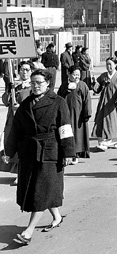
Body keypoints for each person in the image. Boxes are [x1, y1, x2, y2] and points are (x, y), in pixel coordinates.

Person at [2, 69, 75, 245]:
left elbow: (65, 129)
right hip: (29, 152)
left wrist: (68, 152)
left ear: (48, 84)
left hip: (50, 151)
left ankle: (28, 232)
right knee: (38, 188)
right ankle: (57, 217)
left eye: (39, 83)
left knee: (41, 191)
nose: (35, 86)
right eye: (33, 83)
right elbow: (15, 131)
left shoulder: (58, 102)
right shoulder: (25, 104)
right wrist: (9, 151)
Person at [0, 61, 33, 185]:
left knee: (24, 147)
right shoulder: (15, 86)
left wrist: (20, 107)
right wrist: (9, 90)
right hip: (13, 121)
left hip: (25, 122)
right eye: (22, 69)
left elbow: (33, 104)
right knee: (12, 145)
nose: (24, 72)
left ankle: (23, 175)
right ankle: (19, 172)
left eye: (27, 70)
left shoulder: (32, 87)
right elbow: (6, 101)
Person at [92, 57, 117, 151]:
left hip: (115, 102)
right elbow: (97, 89)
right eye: (107, 64)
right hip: (104, 102)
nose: (108, 66)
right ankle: (102, 141)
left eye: (110, 64)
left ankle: (114, 140)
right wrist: (94, 83)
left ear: (115, 65)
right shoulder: (103, 76)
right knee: (101, 120)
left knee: (115, 121)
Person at [57, 65, 92, 163]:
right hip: (66, 113)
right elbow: (58, 98)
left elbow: (87, 100)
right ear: (68, 74)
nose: (76, 77)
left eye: (78, 75)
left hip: (78, 115)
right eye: (74, 74)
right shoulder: (64, 85)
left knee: (77, 134)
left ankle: (76, 154)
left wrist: (87, 113)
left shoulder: (82, 85)